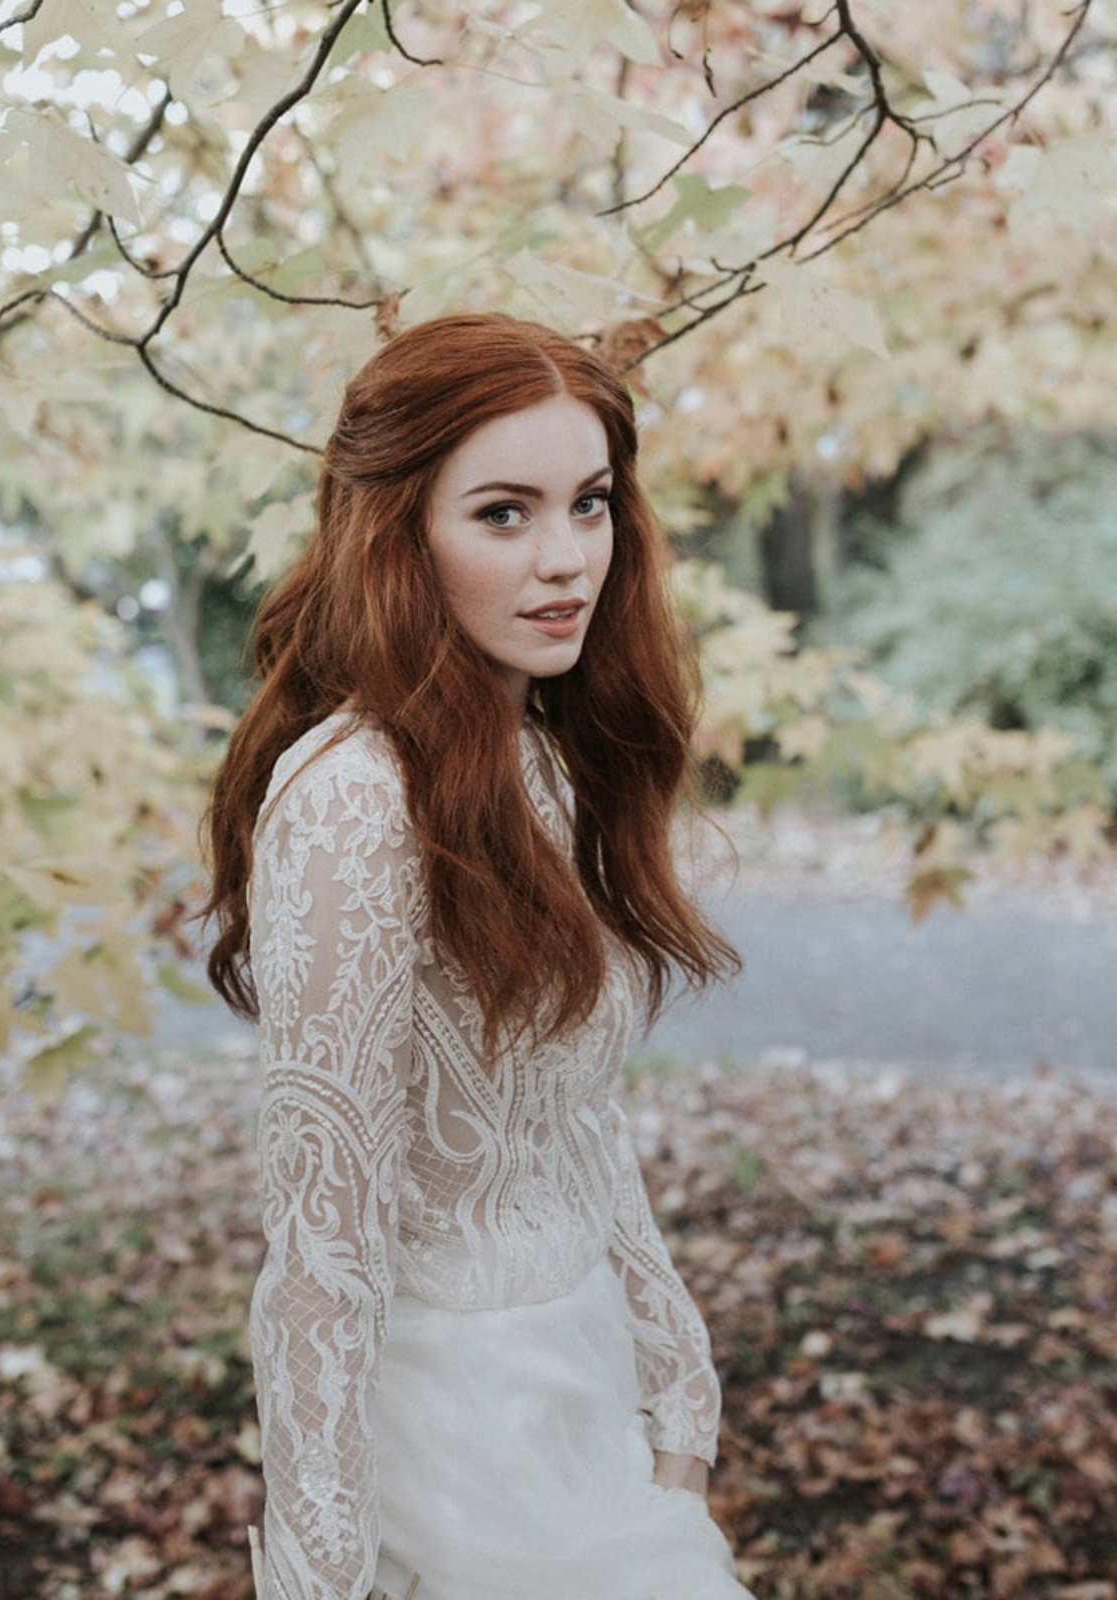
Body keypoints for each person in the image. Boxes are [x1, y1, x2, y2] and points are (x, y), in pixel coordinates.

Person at [202, 313, 752, 1600]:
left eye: (591, 503)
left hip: (584, 1381)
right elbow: (321, 1250)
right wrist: (320, 1571)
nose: (567, 560)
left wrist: (673, 1374)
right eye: (503, 513)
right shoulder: (351, 801)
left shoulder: (541, 764)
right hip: (453, 1431)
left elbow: (569, 1117)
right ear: (397, 534)